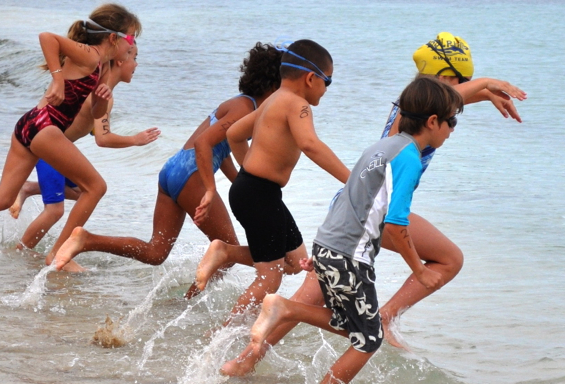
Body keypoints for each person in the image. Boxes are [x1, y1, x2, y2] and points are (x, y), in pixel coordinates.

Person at [221, 31, 527, 376]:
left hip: (350, 207)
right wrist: (485, 84)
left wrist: (485, 94)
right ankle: (385, 316)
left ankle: (245, 360)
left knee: (308, 299)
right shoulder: (414, 113)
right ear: (444, 81)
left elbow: (449, 100)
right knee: (449, 259)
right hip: (372, 211)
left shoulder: (414, 105)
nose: (452, 119)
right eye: (460, 85)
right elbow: (446, 100)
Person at [240, 75, 462, 384]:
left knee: (351, 325)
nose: (453, 131)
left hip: (330, 245)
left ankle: (289, 309)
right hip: (350, 257)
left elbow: (347, 202)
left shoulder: (380, 147)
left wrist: (322, 254)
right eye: (452, 122)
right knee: (369, 339)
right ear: (433, 121)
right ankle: (285, 308)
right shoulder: (409, 159)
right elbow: (397, 225)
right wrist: (420, 271)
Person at [52, 42, 284, 292]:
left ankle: (86, 240)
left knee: (155, 252)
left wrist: (242, 182)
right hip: (191, 174)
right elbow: (203, 143)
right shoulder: (245, 108)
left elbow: (222, 148)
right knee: (226, 249)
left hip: (173, 170)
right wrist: (209, 188)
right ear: (274, 84)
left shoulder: (241, 103)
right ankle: (188, 303)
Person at [0, 3, 141, 274]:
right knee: (95, 187)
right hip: (46, 125)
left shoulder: (104, 68)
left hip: (30, 123)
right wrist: (58, 80)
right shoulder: (90, 55)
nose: (132, 46)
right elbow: (47, 37)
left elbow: (96, 113)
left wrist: (100, 101)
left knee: (3, 197)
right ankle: (58, 253)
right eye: (131, 39)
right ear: (113, 37)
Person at [193, 39, 350, 326]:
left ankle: (224, 251)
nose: (327, 89)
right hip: (258, 193)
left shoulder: (274, 100)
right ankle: (220, 340)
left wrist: (248, 170)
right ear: (311, 78)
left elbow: (235, 134)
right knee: (271, 276)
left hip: (255, 191)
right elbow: (310, 144)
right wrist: (353, 181)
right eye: (328, 82)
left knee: (295, 262)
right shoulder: (297, 104)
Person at [8, 45, 160, 259]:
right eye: (133, 57)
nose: (136, 64)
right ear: (119, 61)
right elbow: (103, 138)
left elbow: (90, 127)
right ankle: (21, 255)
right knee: (55, 210)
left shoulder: (100, 89)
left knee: (82, 192)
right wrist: (135, 140)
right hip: (49, 148)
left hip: (51, 144)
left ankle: (29, 189)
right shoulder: (100, 93)